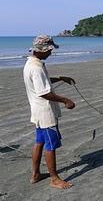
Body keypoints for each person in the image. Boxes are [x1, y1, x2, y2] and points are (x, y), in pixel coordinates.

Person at [23, 35, 76, 189]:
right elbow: (44, 92)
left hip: (37, 111)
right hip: (45, 113)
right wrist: (66, 100)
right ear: (40, 50)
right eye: (49, 50)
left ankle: (36, 174)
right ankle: (54, 179)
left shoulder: (31, 63)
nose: (50, 53)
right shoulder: (36, 67)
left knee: (39, 142)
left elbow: (43, 81)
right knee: (50, 145)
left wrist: (60, 78)